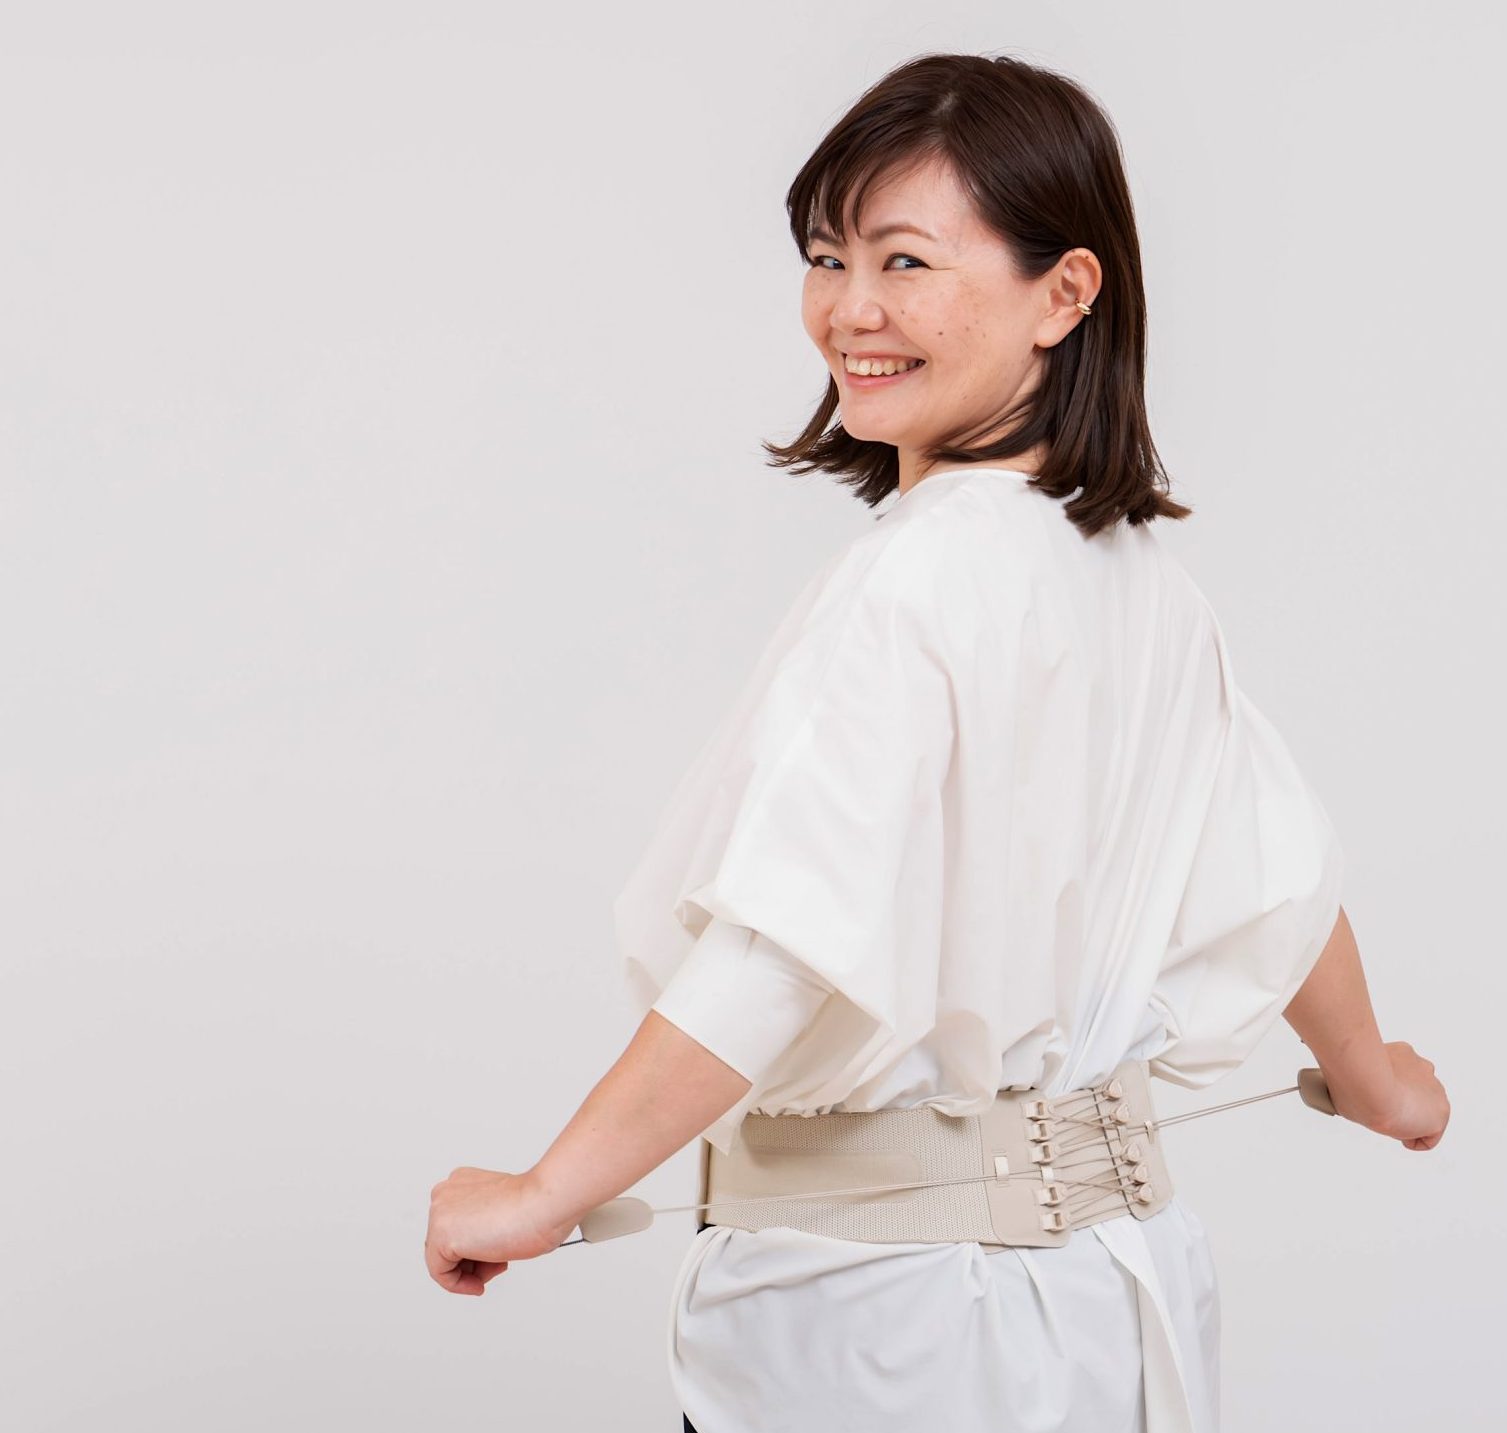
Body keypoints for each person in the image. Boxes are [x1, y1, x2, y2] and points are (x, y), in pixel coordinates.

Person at [423, 51, 1450, 1433]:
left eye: (905, 261)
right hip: (1113, 1302)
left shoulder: (920, 577)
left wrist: (544, 1192)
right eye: (827, 256)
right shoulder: (1141, 583)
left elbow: (781, 950)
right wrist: (1377, 1080)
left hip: (885, 1329)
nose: (851, 308)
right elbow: (1278, 884)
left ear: (1064, 293)